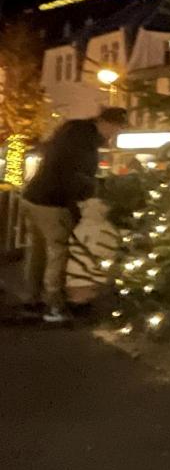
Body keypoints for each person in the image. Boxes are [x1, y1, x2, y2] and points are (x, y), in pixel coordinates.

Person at [21, 107, 127, 323]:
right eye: (115, 130)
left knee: (38, 250)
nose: (113, 135)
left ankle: (33, 299)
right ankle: (54, 304)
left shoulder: (72, 130)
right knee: (58, 251)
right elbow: (75, 175)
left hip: (33, 196)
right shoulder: (84, 142)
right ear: (105, 122)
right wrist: (90, 195)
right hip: (52, 202)